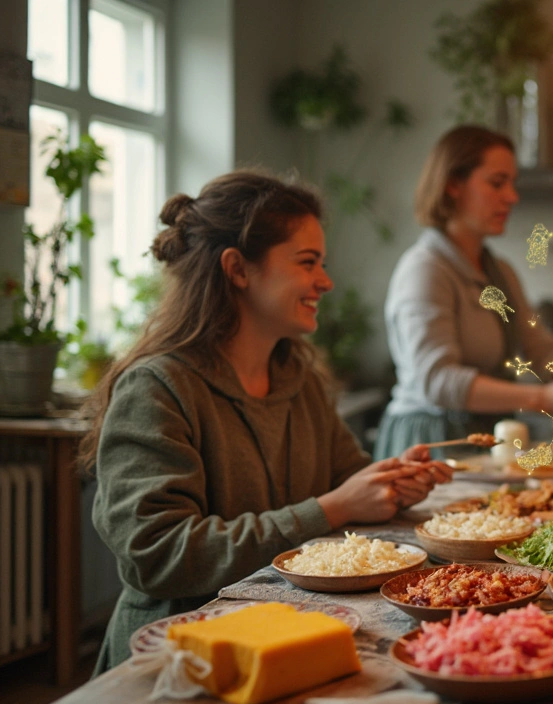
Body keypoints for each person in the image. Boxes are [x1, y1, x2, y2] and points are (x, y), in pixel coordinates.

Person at [81, 171, 453, 673]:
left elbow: (344, 480)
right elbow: (157, 554)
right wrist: (330, 509)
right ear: (237, 269)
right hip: (178, 657)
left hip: (289, 638)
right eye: (308, 263)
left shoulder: (297, 375)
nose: (326, 281)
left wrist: (389, 482)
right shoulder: (157, 389)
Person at [376, 126, 553, 459]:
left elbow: (540, 348)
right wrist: (544, 399)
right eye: (497, 183)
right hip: (431, 442)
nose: (512, 196)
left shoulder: (499, 272)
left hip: (484, 436)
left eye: (512, 184)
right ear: (453, 185)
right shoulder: (426, 270)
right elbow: (439, 380)